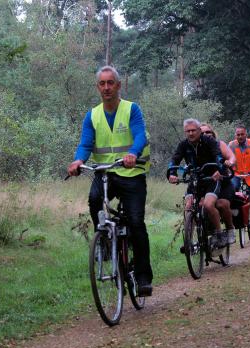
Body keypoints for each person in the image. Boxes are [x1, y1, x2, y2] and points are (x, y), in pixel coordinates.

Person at [67, 65, 153, 296]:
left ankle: (144, 276)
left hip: (131, 174)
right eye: (102, 84)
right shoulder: (92, 115)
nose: (106, 87)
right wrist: (78, 161)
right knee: (94, 199)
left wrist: (133, 153)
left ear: (118, 85)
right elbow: (85, 143)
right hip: (106, 173)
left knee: (135, 222)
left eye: (110, 83)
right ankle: (104, 241)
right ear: (98, 87)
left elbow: (140, 135)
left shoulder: (131, 109)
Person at [167, 119, 232, 248]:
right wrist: (171, 173)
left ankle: (219, 234)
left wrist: (219, 170)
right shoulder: (183, 145)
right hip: (195, 179)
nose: (191, 133)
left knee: (208, 205)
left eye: (193, 130)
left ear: (199, 131)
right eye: (188, 131)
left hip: (211, 179)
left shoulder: (209, 141)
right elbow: (175, 159)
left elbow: (218, 156)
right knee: (189, 207)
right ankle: (188, 242)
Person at [200, 123, 236, 245]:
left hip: (223, 182)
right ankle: (209, 232)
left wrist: (229, 162)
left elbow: (231, 157)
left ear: (213, 133)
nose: (205, 135)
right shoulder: (198, 147)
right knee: (200, 205)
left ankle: (230, 229)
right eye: (203, 133)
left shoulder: (220, 144)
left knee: (221, 204)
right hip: (206, 183)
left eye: (208, 132)